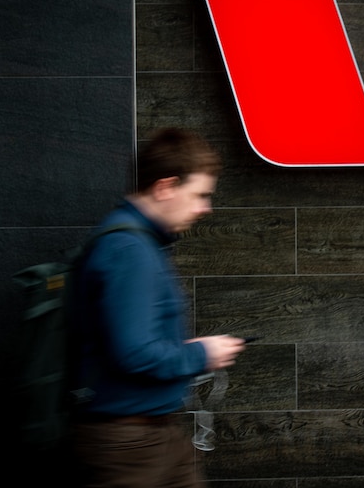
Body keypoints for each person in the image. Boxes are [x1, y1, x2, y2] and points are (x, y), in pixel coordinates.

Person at [70, 128, 245, 488]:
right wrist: (200, 355)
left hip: (152, 436)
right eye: (199, 195)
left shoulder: (141, 243)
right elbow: (134, 353)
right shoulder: (129, 250)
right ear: (165, 187)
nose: (205, 208)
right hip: (128, 447)